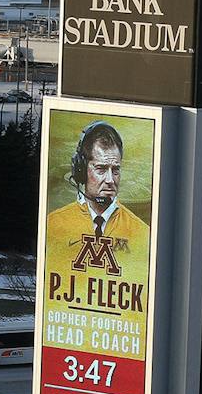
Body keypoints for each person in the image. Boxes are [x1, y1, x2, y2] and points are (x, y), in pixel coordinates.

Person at [43, 119, 149, 294]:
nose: (110, 180)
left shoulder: (142, 234)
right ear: (81, 170)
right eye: (101, 169)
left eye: (115, 170)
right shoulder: (53, 224)